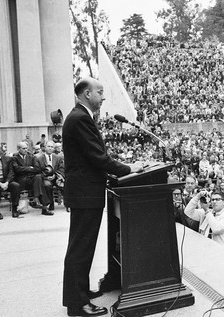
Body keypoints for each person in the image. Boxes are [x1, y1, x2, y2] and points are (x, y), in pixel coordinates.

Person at [62, 77, 143, 317]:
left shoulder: (80, 116)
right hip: (85, 193)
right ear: (87, 93)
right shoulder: (79, 118)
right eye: (100, 91)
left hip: (86, 191)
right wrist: (130, 168)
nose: (103, 96)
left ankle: (81, 292)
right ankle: (77, 305)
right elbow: (97, 157)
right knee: (81, 248)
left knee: (83, 247)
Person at [12, 141, 52, 216]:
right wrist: (30, 168)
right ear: (18, 149)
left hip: (31, 179)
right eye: (23, 148)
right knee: (39, 182)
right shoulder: (14, 158)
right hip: (21, 180)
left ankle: (41, 204)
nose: (26, 150)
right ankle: (43, 205)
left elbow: (37, 169)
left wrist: (24, 169)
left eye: (26, 148)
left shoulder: (31, 156)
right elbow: (16, 169)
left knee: (39, 177)